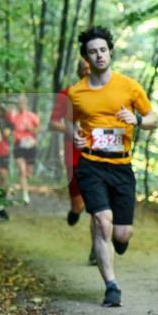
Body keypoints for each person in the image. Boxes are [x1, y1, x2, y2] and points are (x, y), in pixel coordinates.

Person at [66, 27, 158, 307]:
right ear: (86, 58)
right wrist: (74, 134)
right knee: (101, 221)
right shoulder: (75, 92)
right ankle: (112, 286)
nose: (99, 55)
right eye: (93, 51)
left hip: (122, 166)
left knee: (120, 234)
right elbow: (67, 120)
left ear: (110, 52)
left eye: (103, 50)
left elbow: (153, 118)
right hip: (91, 165)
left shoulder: (129, 86)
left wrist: (137, 120)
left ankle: (120, 242)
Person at [50, 57, 95, 264]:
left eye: (90, 68)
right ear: (79, 72)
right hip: (74, 155)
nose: (88, 71)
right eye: (84, 69)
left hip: (98, 154)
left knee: (98, 204)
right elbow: (53, 124)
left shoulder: (104, 93)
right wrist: (72, 128)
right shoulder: (67, 94)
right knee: (79, 203)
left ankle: (97, 248)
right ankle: (75, 210)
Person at [9, 95, 40, 204]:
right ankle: (25, 195)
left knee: (28, 173)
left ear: (26, 104)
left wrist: (30, 128)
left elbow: (37, 131)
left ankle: (19, 185)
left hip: (30, 145)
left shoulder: (33, 116)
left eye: (22, 103)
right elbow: (9, 128)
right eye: (19, 103)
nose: (21, 105)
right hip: (19, 145)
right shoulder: (14, 117)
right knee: (22, 170)